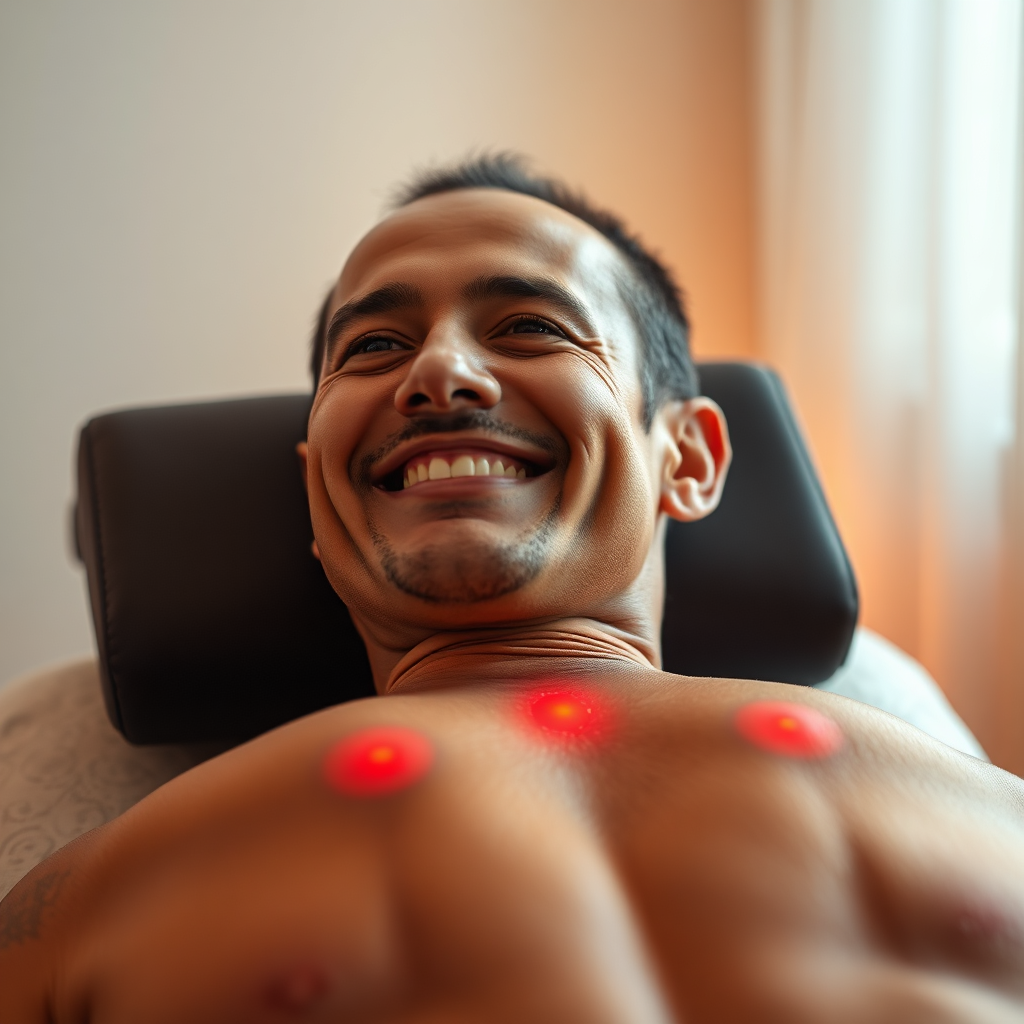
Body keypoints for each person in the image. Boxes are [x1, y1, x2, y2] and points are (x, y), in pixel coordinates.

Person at [2, 156, 1024, 1022]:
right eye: (375, 347)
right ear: (315, 483)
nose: (440, 374)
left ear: (691, 457)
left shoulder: (986, 813)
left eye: (531, 327)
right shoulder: (88, 901)